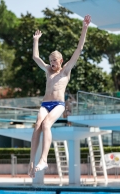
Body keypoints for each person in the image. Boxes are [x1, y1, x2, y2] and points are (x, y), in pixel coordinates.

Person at [28, 15, 91, 178]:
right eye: (50, 60)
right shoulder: (48, 70)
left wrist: (84, 29)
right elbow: (36, 57)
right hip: (45, 104)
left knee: (47, 124)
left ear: (61, 60)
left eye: (54, 60)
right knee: (37, 126)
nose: (51, 63)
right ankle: (31, 162)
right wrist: (36, 40)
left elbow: (78, 50)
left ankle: (43, 159)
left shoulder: (65, 71)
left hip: (58, 105)